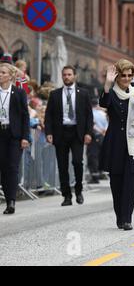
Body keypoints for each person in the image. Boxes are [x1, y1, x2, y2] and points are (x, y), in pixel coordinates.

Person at [99, 59, 134, 230]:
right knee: (116, 182)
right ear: (117, 76)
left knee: (130, 182)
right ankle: (120, 216)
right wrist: (108, 84)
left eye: (129, 75)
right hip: (116, 141)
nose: (126, 78)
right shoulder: (111, 93)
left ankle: (127, 219)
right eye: (123, 75)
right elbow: (104, 103)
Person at [45, 66, 93, 206]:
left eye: (69, 74)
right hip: (60, 133)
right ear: (62, 76)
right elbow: (49, 115)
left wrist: (88, 133)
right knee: (62, 165)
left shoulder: (83, 93)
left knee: (77, 162)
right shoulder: (54, 94)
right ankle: (66, 195)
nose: (67, 77)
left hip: (77, 133)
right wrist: (49, 132)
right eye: (64, 75)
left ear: (75, 76)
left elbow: (89, 115)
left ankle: (78, 190)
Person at [0, 63, 30, 215]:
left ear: (10, 76)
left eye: (3, 72)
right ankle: (7, 196)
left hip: (14, 135)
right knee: (3, 168)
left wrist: (25, 137)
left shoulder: (19, 93)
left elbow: (25, 116)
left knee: (12, 167)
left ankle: (11, 201)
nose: (0, 74)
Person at [87, 98, 108, 184]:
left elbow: (92, 125)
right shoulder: (103, 113)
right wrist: (104, 131)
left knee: (93, 156)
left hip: (95, 136)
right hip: (103, 136)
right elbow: (107, 123)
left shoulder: (91, 113)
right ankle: (101, 173)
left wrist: (99, 131)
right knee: (101, 155)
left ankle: (95, 176)